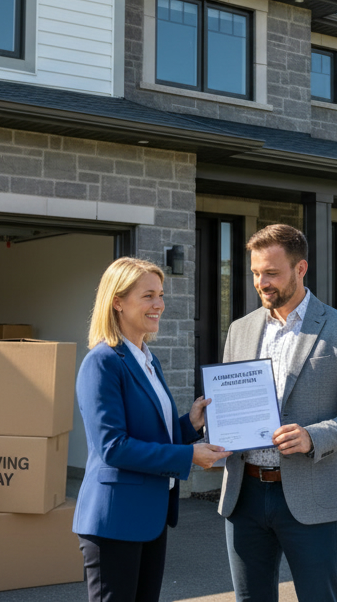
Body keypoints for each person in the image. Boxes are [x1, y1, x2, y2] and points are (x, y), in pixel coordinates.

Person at [217, 224, 337, 602]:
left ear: (301, 269)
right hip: (244, 494)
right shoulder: (239, 330)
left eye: (271, 272)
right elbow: (232, 406)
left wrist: (313, 436)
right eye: (255, 273)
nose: (261, 282)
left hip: (311, 496)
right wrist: (214, 428)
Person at [73, 257, 230, 602]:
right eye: (148, 296)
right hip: (115, 520)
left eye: (160, 295)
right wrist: (189, 455)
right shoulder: (102, 362)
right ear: (117, 301)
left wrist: (189, 425)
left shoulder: (147, 358)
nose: (159, 304)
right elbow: (113, 446)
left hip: (150, 515)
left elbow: (150, 432)